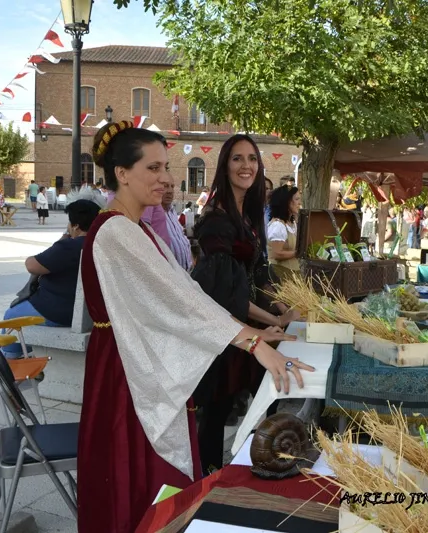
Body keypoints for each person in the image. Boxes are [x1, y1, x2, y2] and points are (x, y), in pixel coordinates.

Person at [77, 121, 314, 532]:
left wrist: (257, 332)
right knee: (137, 477)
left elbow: (188, 295)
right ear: (122, 173)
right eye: (153, 168)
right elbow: (182, 303)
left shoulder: (138, 228)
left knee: (153, 479)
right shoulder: (116, 231)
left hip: (141, 360)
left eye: (166, 167)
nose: (165, 178)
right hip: (127, 370)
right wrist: (254, 344)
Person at [192, 134, 300, 473]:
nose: (246, 165)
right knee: (217, 409)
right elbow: (224, 294)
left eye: (252, 158)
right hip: (227, 328)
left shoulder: (249, 217)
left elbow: (259, 273)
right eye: (237, 158)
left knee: (268, 395)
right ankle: (209, 477)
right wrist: (272, 320)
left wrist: (283, 307)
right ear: (225, 165)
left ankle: (265, 461)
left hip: (251, 324)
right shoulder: (216, 220)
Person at [1, 188, 105, 357]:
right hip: (89, 314)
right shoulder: (100, 244)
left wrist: (65, 236)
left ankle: (10, 360)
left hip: (57, 310)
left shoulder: (70, 246)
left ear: (76, 226)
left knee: (10, 316)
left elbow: (32, 265)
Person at [267, 185, 301, 280]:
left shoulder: (292, 223)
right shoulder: (278, 225)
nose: (299, 203)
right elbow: (277, 254)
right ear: (286, 202)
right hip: (280, 273)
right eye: (296, 199)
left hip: (292, 274)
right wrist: (299, 253)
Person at [162, 174, 193, 271]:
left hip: (185, 274)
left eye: (172, 186)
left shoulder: (172, 212)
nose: (170, 191)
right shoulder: (154, 215)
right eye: (165, 186)